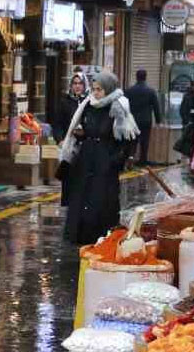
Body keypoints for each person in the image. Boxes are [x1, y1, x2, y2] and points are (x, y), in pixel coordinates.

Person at [60, 71, 138, 245]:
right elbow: (87, 128)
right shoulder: (88, 105)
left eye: (99, 90)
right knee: (81, 196)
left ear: (108, 89)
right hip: (86, 158)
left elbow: (129, 137)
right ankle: (80, 235)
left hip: (105, 160)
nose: (95, 93)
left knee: (102, 199)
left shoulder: (118, 107)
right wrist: (81, 135)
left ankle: (102, 236)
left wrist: (116, 159)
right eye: (94, 89)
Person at [53, 74, 85, 205]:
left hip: (84, 145)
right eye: (75, 83)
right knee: (68, 177)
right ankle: (67, 204)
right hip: (69, 145)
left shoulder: (88, 102)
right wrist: (59, 139)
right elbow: (57, 124)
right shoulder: (64, 102)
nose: (77, 86)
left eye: (80, 83)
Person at [125, 69, 163, 165]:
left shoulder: (129, 91)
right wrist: (158, 121)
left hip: (132, 120)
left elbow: (125, 105)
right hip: (146, 120)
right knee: (144, 140)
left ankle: (130, 158)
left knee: (132, 140)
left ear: (136, 77)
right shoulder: (151, 91)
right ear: (145, 77)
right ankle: (143, 160)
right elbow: (156, 107)